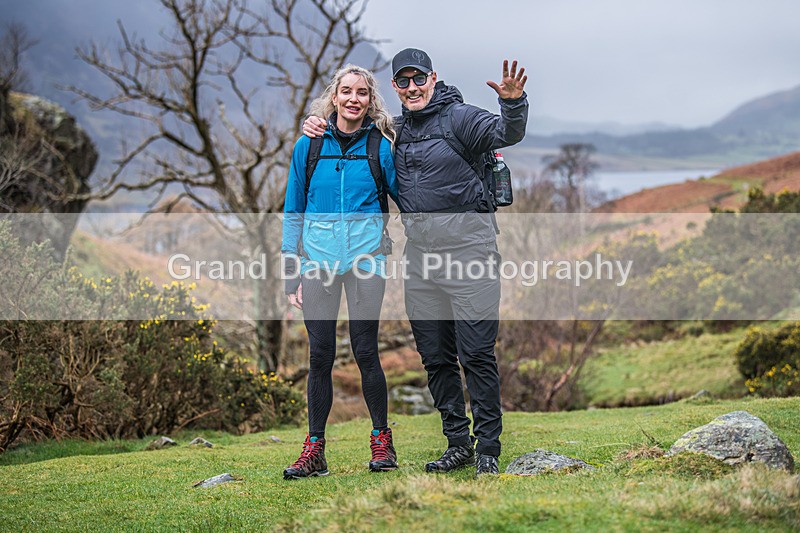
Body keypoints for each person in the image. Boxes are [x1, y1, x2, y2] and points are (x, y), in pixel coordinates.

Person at [304, 49, 528, 476]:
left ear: (433, 77)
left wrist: (513, 103)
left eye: (419, 78)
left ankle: (488, 450)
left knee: (477, 354)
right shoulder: (394, 130)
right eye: (403, 82)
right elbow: (348, 129)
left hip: (471, 256)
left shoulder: (461, 118)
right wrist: (315, 125)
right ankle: (458, 444)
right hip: (421, 262)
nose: (412, 87)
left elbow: (505, 133)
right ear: (395, 88)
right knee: (436, 357)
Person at [281, 64, 399, 479]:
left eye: (362, 92)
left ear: (370, 101)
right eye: (346, 91)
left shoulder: (381, 147)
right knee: (320, 356)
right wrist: (289, 269)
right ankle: (314, 450)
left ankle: (382, 443)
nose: (353, 98)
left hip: (367, 261)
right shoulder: (308, 147)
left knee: (366, 352)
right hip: (317, 262)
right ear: (334, 97)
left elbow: (409, 197)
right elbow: (293, 208)